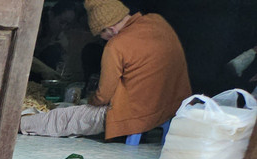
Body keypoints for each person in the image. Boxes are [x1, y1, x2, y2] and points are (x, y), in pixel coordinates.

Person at [19, 0, 191, 140]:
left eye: (101, 35)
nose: (102, 40)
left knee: (66, 117)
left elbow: (103, 96)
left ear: (110, 29)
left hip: (137, 115)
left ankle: (19, 124)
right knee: (71, 108)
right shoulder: (157, 22)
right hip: (173, 107)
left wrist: (91, 100)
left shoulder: (116, 45)